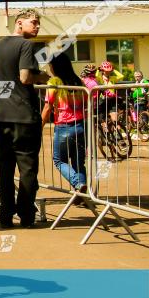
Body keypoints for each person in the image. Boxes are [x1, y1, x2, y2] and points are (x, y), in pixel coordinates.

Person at [0, 8, 48, 229]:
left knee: (5, 168)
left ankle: (5, 214)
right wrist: (44, 76)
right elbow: (24, 77)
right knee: (27, 168)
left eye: (38, 22)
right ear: (19, 23)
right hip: (23, 116)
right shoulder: (25, 45)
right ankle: (26, 214)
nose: (37, 26)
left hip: (1, 115)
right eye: (34, 22)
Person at [40, 52, 88, 194]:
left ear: (55, 66)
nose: (50, 68)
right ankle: (82, 193)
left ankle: (78, 184)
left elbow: (48, 107)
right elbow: (86, 102)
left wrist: (39, 127)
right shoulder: (79, 81)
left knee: (59, 160)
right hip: (80, 125)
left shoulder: (55, 82)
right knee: (79, 162)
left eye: (50, 66)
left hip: (64, 126)